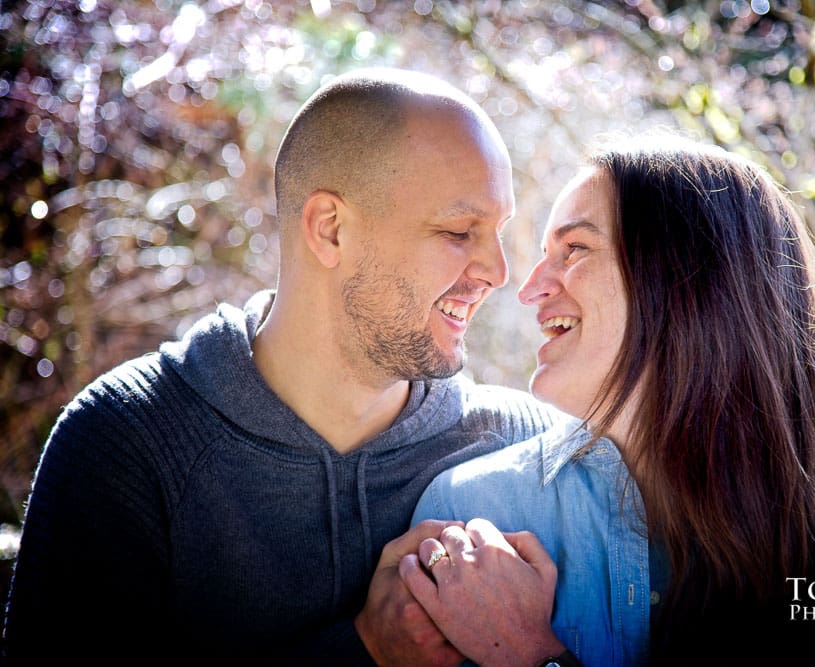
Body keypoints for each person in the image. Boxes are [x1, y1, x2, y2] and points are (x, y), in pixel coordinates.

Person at [1, 68, 566, 665]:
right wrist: (366, 650)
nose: (499, 272)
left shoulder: (532, 451)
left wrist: (536, 654)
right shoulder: (125, 445)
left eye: (498, 232)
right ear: (330, 230)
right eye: (458, 231)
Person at [404, 136, 815, 666]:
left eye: (575, 249)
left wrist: (535, 657)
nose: (529, 289)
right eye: (546, 255)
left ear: (691, 281)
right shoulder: (473, 515)